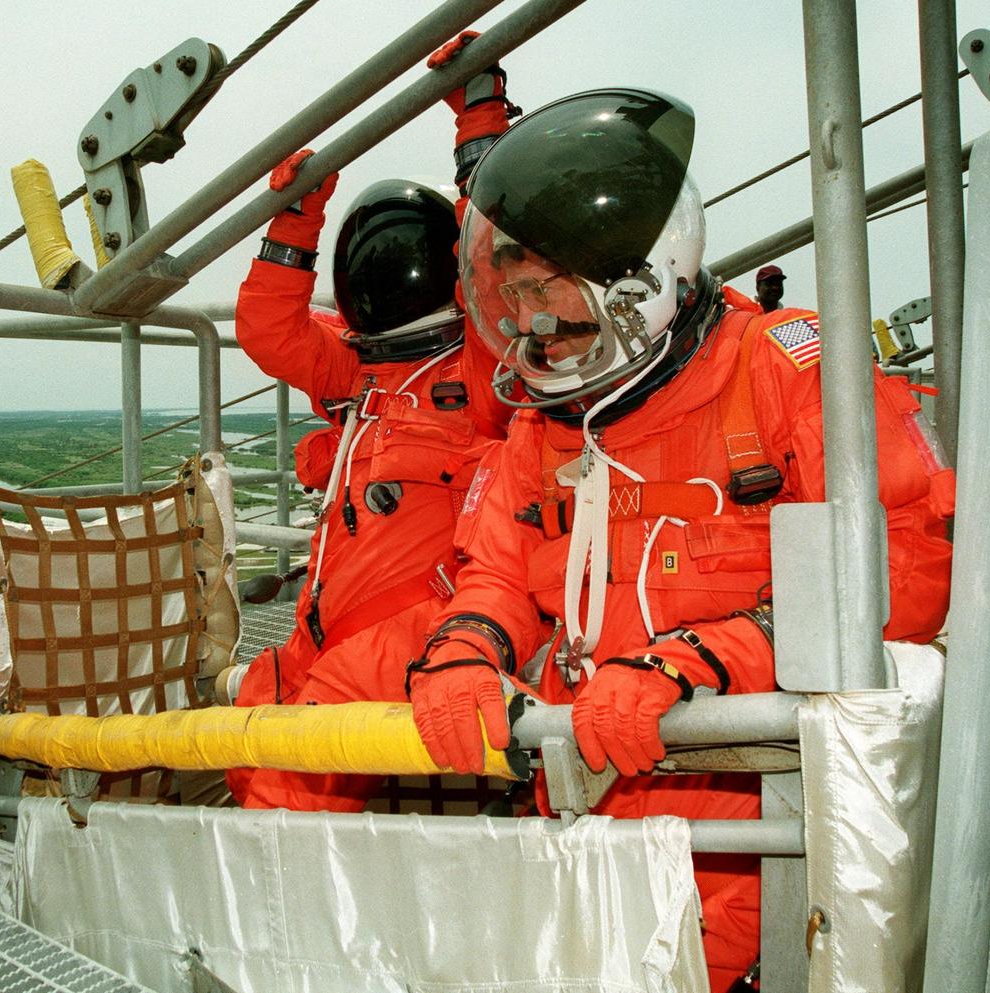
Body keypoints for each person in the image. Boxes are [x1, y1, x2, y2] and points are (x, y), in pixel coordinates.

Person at [405, 88, 955, 991]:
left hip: (759, 842)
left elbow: (908, 561)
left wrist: (700, 660)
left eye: (544, 288)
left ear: (635, 282)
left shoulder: (779, 372)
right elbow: (495, 573)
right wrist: (467, 651)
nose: (523, 314)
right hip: (585, 819)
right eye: (510, 286)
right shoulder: (539, 433)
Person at [226, 33, 520, 810]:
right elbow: (266, 329)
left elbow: (499, 266)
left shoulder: (479, 375)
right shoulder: (360, 373)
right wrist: (293, 222)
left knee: (295, 773)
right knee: (252, 719)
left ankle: (280, 906)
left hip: (421, 625)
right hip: (325, 625)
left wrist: (481, 128)